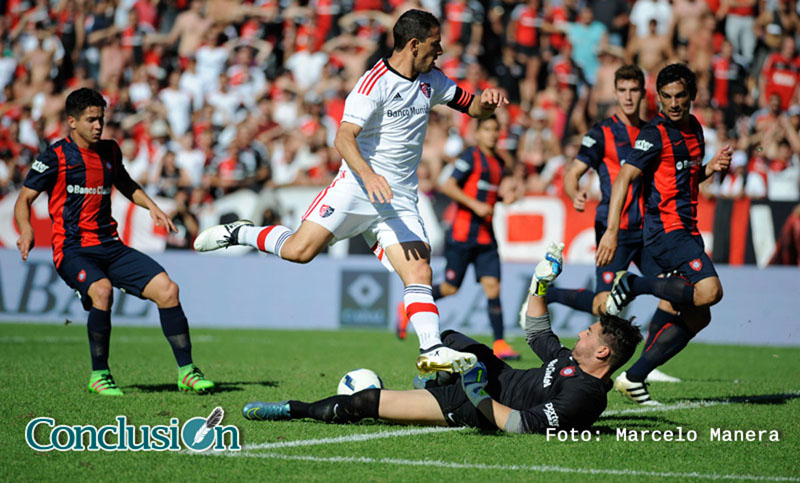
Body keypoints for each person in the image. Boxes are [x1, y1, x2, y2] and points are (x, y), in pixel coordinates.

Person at [194, 9, 509, 375]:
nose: (439, 52)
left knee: (419, 270)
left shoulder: (432, 81)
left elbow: (472, 108)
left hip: (399, 200)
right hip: (356, 188)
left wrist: (485, 104)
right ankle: (241, 232)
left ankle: (431, 349)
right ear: (414, 44)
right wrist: (369, 175)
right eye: (435, 45)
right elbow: (343, 137)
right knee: (299, 251)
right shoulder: (373, 83)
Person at [241, 243, 643, 434]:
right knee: (445, 337)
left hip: (476, 403)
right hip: (491, 370)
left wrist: (475, 392)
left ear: (603, 351)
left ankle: (292, 409)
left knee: (364, 403)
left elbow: (521, 424)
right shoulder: (572, 359)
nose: (581, 331)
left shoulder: (586, 396)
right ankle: (438, 373)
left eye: (589, 331)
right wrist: (540, 284)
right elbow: (537, 330)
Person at [14, 88, 215, 396]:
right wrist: (26, 230)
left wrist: (154, 208)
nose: (98, 125)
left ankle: (187, 371)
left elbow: (124, 183)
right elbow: (24, 199)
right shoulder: (55, 157)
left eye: (101, 119)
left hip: (111, 246)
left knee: (168, 290)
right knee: (102, 291)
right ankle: (99, 375)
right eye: (91, 120)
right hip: (72, 249)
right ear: (72, 122)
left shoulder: (110, 150)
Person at [595, 63, 731, 404]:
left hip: (688, 229)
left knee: (700, 314)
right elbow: (624, 178)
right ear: (658, 98)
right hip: (664, 231)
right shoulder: (653, 133)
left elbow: (685, 178)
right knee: (710, 290)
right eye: (666, 97)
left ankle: (634, 377)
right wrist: (611, 232)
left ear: (692, 96)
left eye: (680, 96)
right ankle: (634, 284)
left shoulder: (695, 128)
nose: (673, 103)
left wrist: (710, 169)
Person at [546, 64, 680, 386]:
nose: (629, 96)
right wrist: (573, 191)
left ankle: (649, 362)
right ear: (615, 92)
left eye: (634, 90)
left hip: (648, 231)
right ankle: (551, 293)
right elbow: (572, 172)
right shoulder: (601, 133)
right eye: (623, 90)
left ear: (643, 92)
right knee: (605, 306)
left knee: (672, 293)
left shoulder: (654, 132)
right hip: (613, 230)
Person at [398, 115, 520, 360]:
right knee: (450, 288)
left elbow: (486, 195)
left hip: (486, 237)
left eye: (496, 129)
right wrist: (475, 205)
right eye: (487, 129)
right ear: (477, 132)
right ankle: (406, 307)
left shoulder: (498, 161)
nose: (493, 134)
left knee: (493, 288)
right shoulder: (470, 156)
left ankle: (499, 343)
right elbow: (448, 185)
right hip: (462, 234)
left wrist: (500, 199)